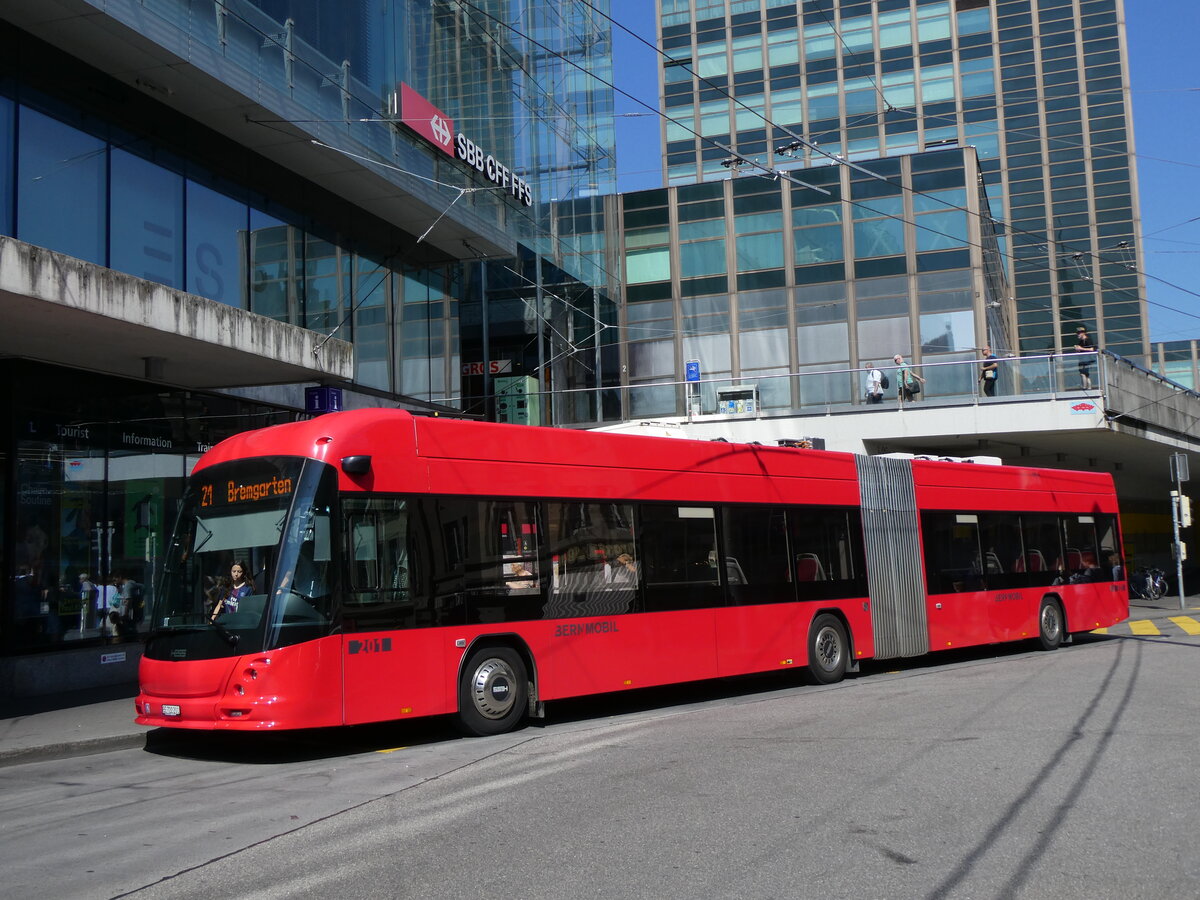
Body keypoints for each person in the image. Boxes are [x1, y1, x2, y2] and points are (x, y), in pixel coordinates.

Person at [1073, 325, 1093, 389]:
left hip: (1086, 359)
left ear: (1083, 333)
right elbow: (1081, 350)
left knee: (1084, 373)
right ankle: (1087, 387)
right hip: (1082, 359)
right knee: (1084, 374)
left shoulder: (1088, 340)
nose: (1078, 334)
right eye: (1077, 333)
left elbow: (1091, 349)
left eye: (1079, 333)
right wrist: (1077, 349)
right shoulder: (1081, 342)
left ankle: (1085, 387)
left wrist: (1081, 348)